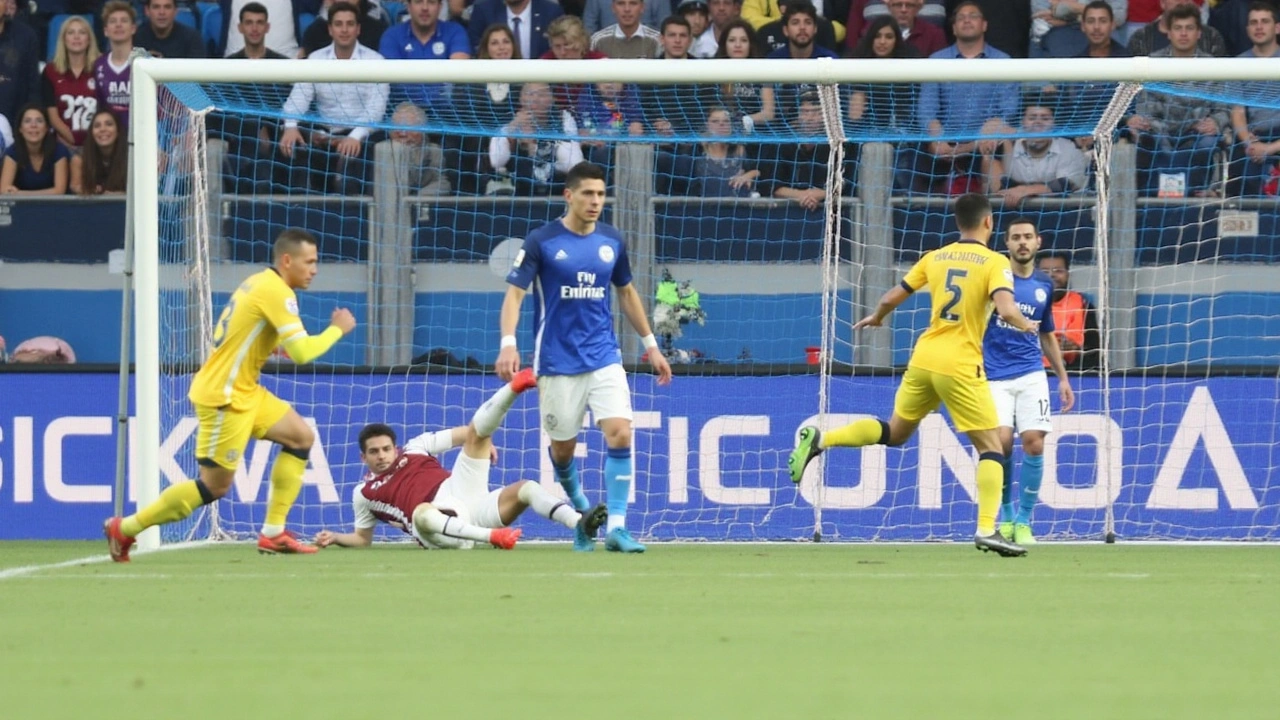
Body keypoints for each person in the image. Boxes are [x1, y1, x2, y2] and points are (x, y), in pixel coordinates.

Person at [789, 193, 1038, 557]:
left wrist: (878, 317)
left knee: (895, 432)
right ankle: (988, 529)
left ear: (957, 223)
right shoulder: (994, 262)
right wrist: (1026, 324)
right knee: (992, 447)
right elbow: (1006, 307)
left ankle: (821, 441)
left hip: (923, 359)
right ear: (989, 223)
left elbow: (892, 295)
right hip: (960, 364)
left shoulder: (935, 257)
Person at [104, 229, 358, 562]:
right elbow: (302, 353)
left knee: (300, 437)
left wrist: (265, 347)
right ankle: (126, 527)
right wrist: (338, 328)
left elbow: (242, 332)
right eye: (309, 262)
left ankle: (273, 533)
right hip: (224, 397)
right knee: (213, 487)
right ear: (287, 260)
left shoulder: (258, 282)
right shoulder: (277, 292)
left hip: (245, 389)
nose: (315, 269)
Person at [496, 161, 674, 553]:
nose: (596, 201)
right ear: (569, 196)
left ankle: (618, 528)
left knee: (622, 432)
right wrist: (508, 342)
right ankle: (581, 514)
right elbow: (514, 295)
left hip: (604, 356)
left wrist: (651, 346)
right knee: (563, 449)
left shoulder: (611, 241)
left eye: (600, 194)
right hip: (557, 363)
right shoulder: (541, 241)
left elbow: (626, 293)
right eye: (588, 194)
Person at [314, 370, 610, 551]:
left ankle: (579, 523)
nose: (381, 456)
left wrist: (483, 441)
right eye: (374, 452)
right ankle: (492, 537)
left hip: (463, 493)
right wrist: (337, 538)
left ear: (396, 447)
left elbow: (467, 432)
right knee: (421, 514)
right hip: (437, 529)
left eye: (385, 449)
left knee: (526, 486)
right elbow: (363, 539)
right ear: (362, 457)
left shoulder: (417, 448)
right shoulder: (363, 493)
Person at [983, 218, 1075, 545]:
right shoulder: (993, 280)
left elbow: (1046, 333)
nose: (1022, 243)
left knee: (1034, 441)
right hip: (994, 373)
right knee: (1003, 442)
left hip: (1032, 371)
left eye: (1027, 237)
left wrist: (1062, 377)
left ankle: (1024, 520)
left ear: (1038, 242)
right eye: (1015, 238)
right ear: (1006, 244)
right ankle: (1005, 515)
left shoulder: (1044, 285)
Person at [279, 1, 389, 194]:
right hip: (324, 136)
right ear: (330, 29)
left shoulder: (376, 61)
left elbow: (376, 111)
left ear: (358, 29)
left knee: (357, 163)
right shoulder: (315, 60)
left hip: (361, 138)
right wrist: (290, 126)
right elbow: (297, 99)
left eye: (349, 24)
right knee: (291, 142)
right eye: (338, 24)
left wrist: (354, 137)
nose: (344, 29)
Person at [985, 97, 1089, 205]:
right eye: (1032, 118)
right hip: (1015, 212)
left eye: (1045, 118)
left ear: (1054, 123)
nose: (1038, 122)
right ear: (1022, 122)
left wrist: (1025, 190)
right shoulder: (1006, 147)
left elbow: (1065, 184)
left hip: (1064, 213)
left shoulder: (1068, 148)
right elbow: (999, 189)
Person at [1227, 2, 1280, 197]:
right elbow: (1238, 111)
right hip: (1255, 134)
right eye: (1254, 22)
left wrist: (1270, 148)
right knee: (1239, 185)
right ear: (1247, 29)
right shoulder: (1239, 64)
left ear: (1277, 27)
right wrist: (1249, 142)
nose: (1259, 27)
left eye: (1264, 21)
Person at [42, 16, 100, 151]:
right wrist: (73, 142)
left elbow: (106, 109)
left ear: (89, 39)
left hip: (97, 145)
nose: (76, 37)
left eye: (82, 32)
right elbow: (52, 115)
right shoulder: (51, 71)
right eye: (71, 32)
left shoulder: (101, 68)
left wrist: (90, 145)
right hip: (62, 144)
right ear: (63, 39)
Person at [1037, 251, 1100, 371]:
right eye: (1045, 272)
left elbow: (1095, 352)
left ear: (1068, 275)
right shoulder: (1024, 304)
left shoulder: (1084, 306)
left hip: (1073, 375)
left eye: (1058, 271)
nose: (1051, 275)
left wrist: (1076, 351)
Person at [0, 104, 70, 194]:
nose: (33, 125)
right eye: (27, 121)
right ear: (20, 128)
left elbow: (59, 191)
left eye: (39, 121)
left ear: (47, 128)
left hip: (54, 206)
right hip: (22, 207)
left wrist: (19, 194)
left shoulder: (59, 151)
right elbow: (4, 190)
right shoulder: (12, 152)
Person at [94, 1, 139, 133]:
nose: (118, 25)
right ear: (106, 31)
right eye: (113, 21)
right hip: (110, 140)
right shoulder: (98, 65)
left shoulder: (143, 63)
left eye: (124, 20)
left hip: (140, 136)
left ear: (133, 28)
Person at [71, 108, 128, 195]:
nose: (102, 129)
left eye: (109, 124)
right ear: (91, 132)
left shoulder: (132, 157)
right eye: (97, 126)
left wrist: (121, 195)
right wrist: (86, 190)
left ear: (118, 131)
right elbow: (75, 186)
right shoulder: (79, 158)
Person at [135, 0, 207, 58]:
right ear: (147, 11)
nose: (162, 12)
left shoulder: (192, 38)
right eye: (156, 7)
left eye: (167, 7)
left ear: (176, 11)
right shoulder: (136, 37)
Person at [590, 0, 662, 57]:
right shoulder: (598, 40)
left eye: (633, 3)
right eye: (621, 3)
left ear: (642, 7)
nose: (627, 9)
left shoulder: (657, 40)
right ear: (613, 8)